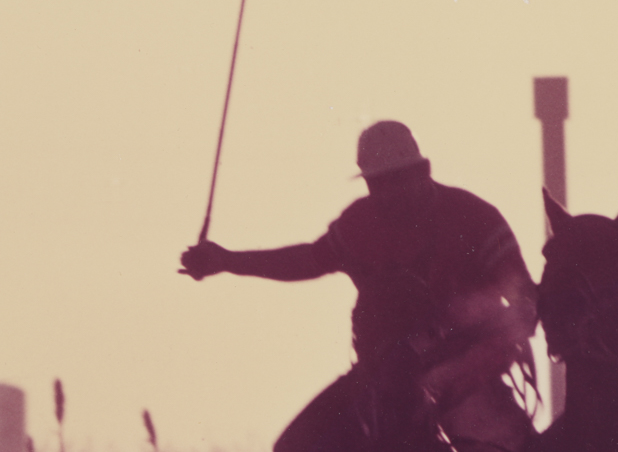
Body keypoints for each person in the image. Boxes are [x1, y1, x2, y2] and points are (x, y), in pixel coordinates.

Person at [180, 120, 538, 452]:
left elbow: (526, 302)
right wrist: (225, 261)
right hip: (383, 379)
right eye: (377, 183)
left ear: (423, 171)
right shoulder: (359, 224)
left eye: (396, 179)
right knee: (296, 446)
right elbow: (306, 261)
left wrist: (466, 363)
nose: (386, 193)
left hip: (469, 374)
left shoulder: (474, 219)